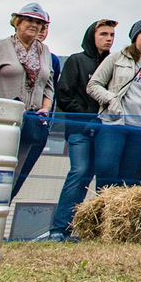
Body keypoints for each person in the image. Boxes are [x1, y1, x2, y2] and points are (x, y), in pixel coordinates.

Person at [47, 18, 117, 241]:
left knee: (104, 177)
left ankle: (96, 231)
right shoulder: (76, 61)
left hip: (106, 129)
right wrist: (86, 117)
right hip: (79, 130)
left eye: (112, 35)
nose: (108, 39)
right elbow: (64, 94)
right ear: (91, 36)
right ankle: (60, 229)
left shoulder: (115, 63)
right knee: (79, 173)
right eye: (103, 34)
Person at [0, 3, 54, 199]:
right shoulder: (2, 46)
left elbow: (49, 83)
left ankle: (3, 208)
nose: (34, 25)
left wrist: (46, 108)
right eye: (29, 20)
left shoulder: (44, 50)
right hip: (1, 119)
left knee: (15, 174)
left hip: (30, 121)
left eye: (39, 23)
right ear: (17, 22)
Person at [86, 19, 141, 189]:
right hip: (114, 123)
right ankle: (103, 210)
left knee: (129, 179)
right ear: (135, 36)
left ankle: (118, 215)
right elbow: (93, 85)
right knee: (106, 169)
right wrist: (111, 98)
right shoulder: (117, 57)